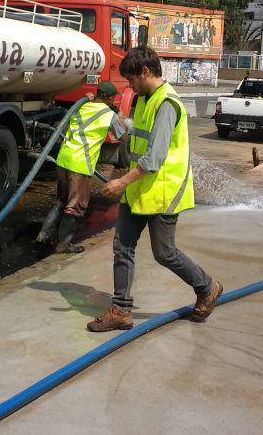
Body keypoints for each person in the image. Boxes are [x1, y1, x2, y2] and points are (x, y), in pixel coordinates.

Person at [87, 46, 222, 332]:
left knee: (165, 253)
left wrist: (121, 181)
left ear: (146, 72)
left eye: (133, 80)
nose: (130, 86)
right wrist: (111, 114)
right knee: (122, 246)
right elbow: (135, 133)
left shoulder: (167, 104)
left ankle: (207, 287)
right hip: (140, 190)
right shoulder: (146, 99)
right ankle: (121, 310)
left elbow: (155, 157)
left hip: (162, 191)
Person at [36, 82, 126, 254]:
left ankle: (43, 235)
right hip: (80, 164)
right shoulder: (109, 115)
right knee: (75, 205)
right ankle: (64, 244)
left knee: (61, 200)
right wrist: (120, 115)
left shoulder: (81, 107)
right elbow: (122, 136)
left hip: (63, 159)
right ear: (108, 98)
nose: (114, 100)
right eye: (113, 97)